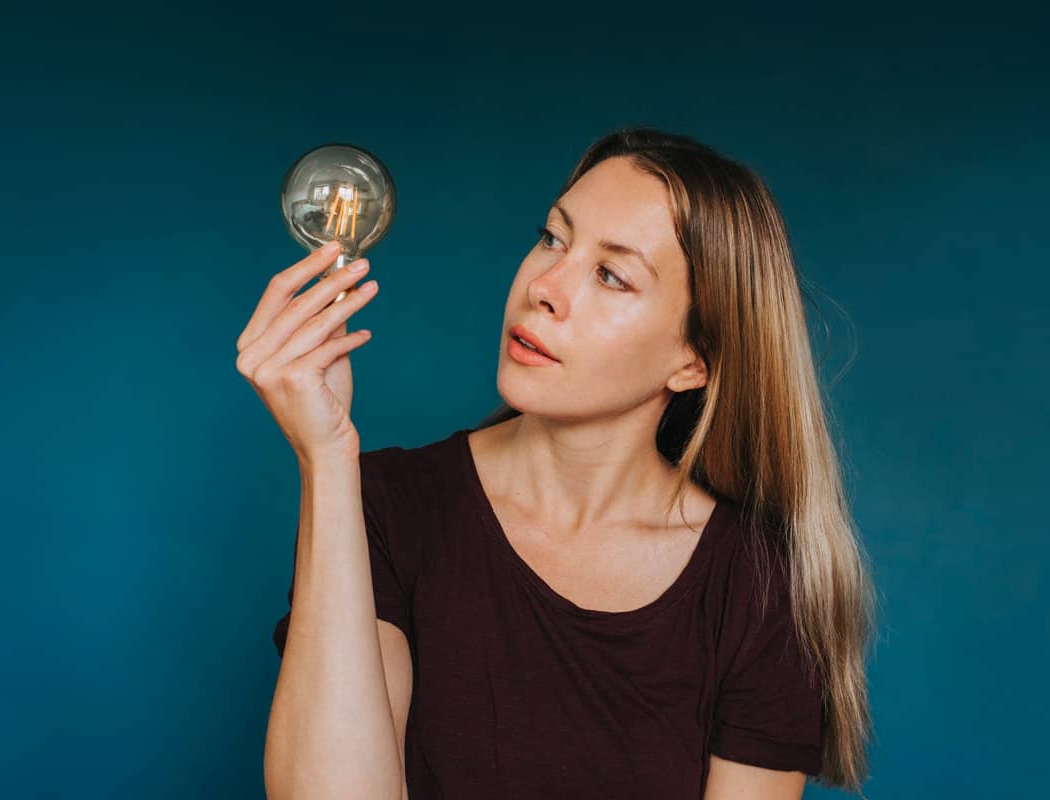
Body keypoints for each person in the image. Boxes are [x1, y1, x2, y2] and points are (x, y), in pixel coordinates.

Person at [239, 127, 876, 800]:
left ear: (694, 361)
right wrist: (328, 458)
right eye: (552, 237)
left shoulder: (757, 586)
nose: (543, 285)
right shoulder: (389, 506)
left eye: (611, 274)